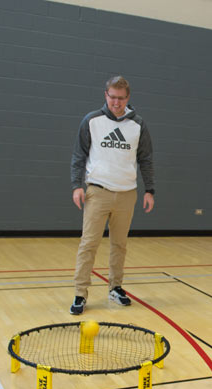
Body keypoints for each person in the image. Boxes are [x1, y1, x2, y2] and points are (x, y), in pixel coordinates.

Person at [69, 76, 155, 314]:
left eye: (121, 98)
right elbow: (79, 155)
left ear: (128, 98)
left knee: (120, 244)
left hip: (127, 194)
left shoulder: (138, 125)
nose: (116, 102)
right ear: (105, 95)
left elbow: (145, 159)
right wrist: (77, 186)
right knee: (89, 244)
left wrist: (150, 190)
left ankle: (115, 287)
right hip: (98, 191)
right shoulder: (92, 121)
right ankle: (80, 293)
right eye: (112, 97)